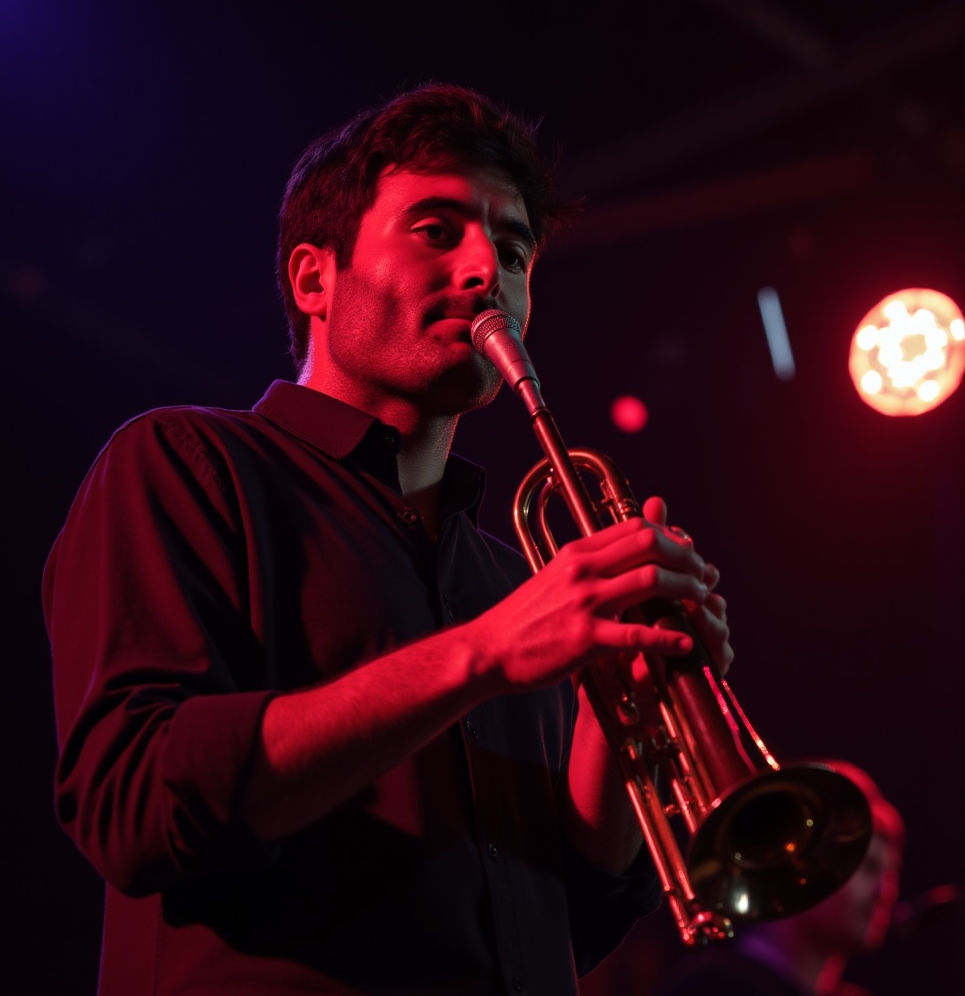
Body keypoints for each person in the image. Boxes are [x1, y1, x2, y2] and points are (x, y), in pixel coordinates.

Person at [44, 84, 734, 995]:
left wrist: (624, 705)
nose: (490, 269)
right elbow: (134, 805)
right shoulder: (188, 460)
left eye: (516, 248)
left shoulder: (510, 578)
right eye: (437, 230)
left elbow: (571, 920)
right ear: (313, 279)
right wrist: (485, 652)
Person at [655, 762, 904, 996]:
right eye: (868, 867)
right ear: (796, 862)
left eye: (891, 872)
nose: (884, 891)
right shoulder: (712, 987)